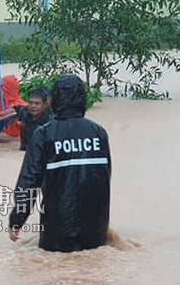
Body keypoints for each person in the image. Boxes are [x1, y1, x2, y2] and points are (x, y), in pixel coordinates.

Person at [8, 74, 111, 252]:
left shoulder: (44, 134)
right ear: (82, 98)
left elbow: (29, 182)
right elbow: (105, 177)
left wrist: (17, 220)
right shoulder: (98, 133)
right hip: (96, 230)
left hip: (57, 231)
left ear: (54, 99)